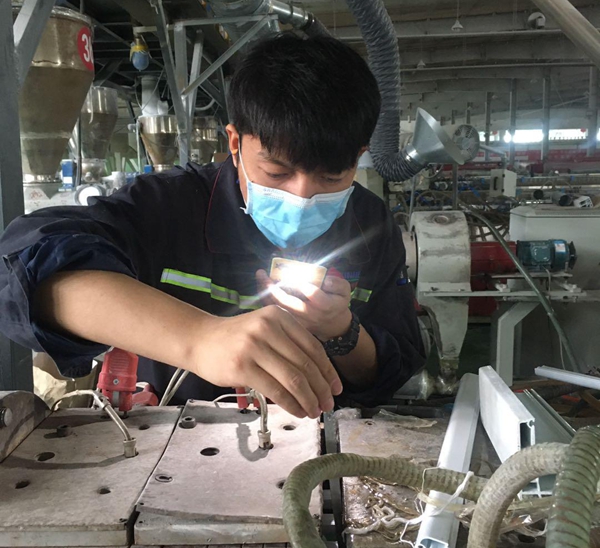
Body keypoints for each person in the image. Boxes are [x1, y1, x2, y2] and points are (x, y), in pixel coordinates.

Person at [0, 34, 425, 418]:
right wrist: (200, 338)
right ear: (235, 143)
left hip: (322, 444)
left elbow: (391, 374)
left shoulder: (370, 225)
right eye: (277, 173)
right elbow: (22, 266)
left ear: (360, 156)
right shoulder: (168, 207)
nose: (302, 197)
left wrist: (342, 332)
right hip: (173, 441)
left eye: (331, 178)